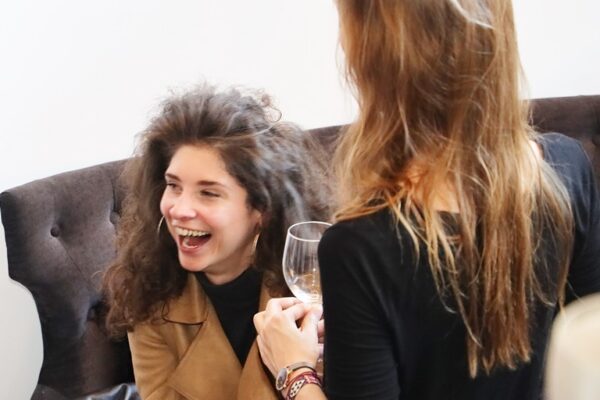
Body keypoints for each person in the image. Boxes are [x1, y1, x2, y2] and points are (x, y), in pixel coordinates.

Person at [253, 1, 600, 399]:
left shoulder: (360, 247)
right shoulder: (567, 166)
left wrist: (293, 369)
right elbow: (587, 354)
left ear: (372, 62)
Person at [102, 84, 330, 399]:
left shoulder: (315, 286)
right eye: (173, 186)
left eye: (208, 193)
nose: (179, 210)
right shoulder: (151, 294)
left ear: (262, 209)